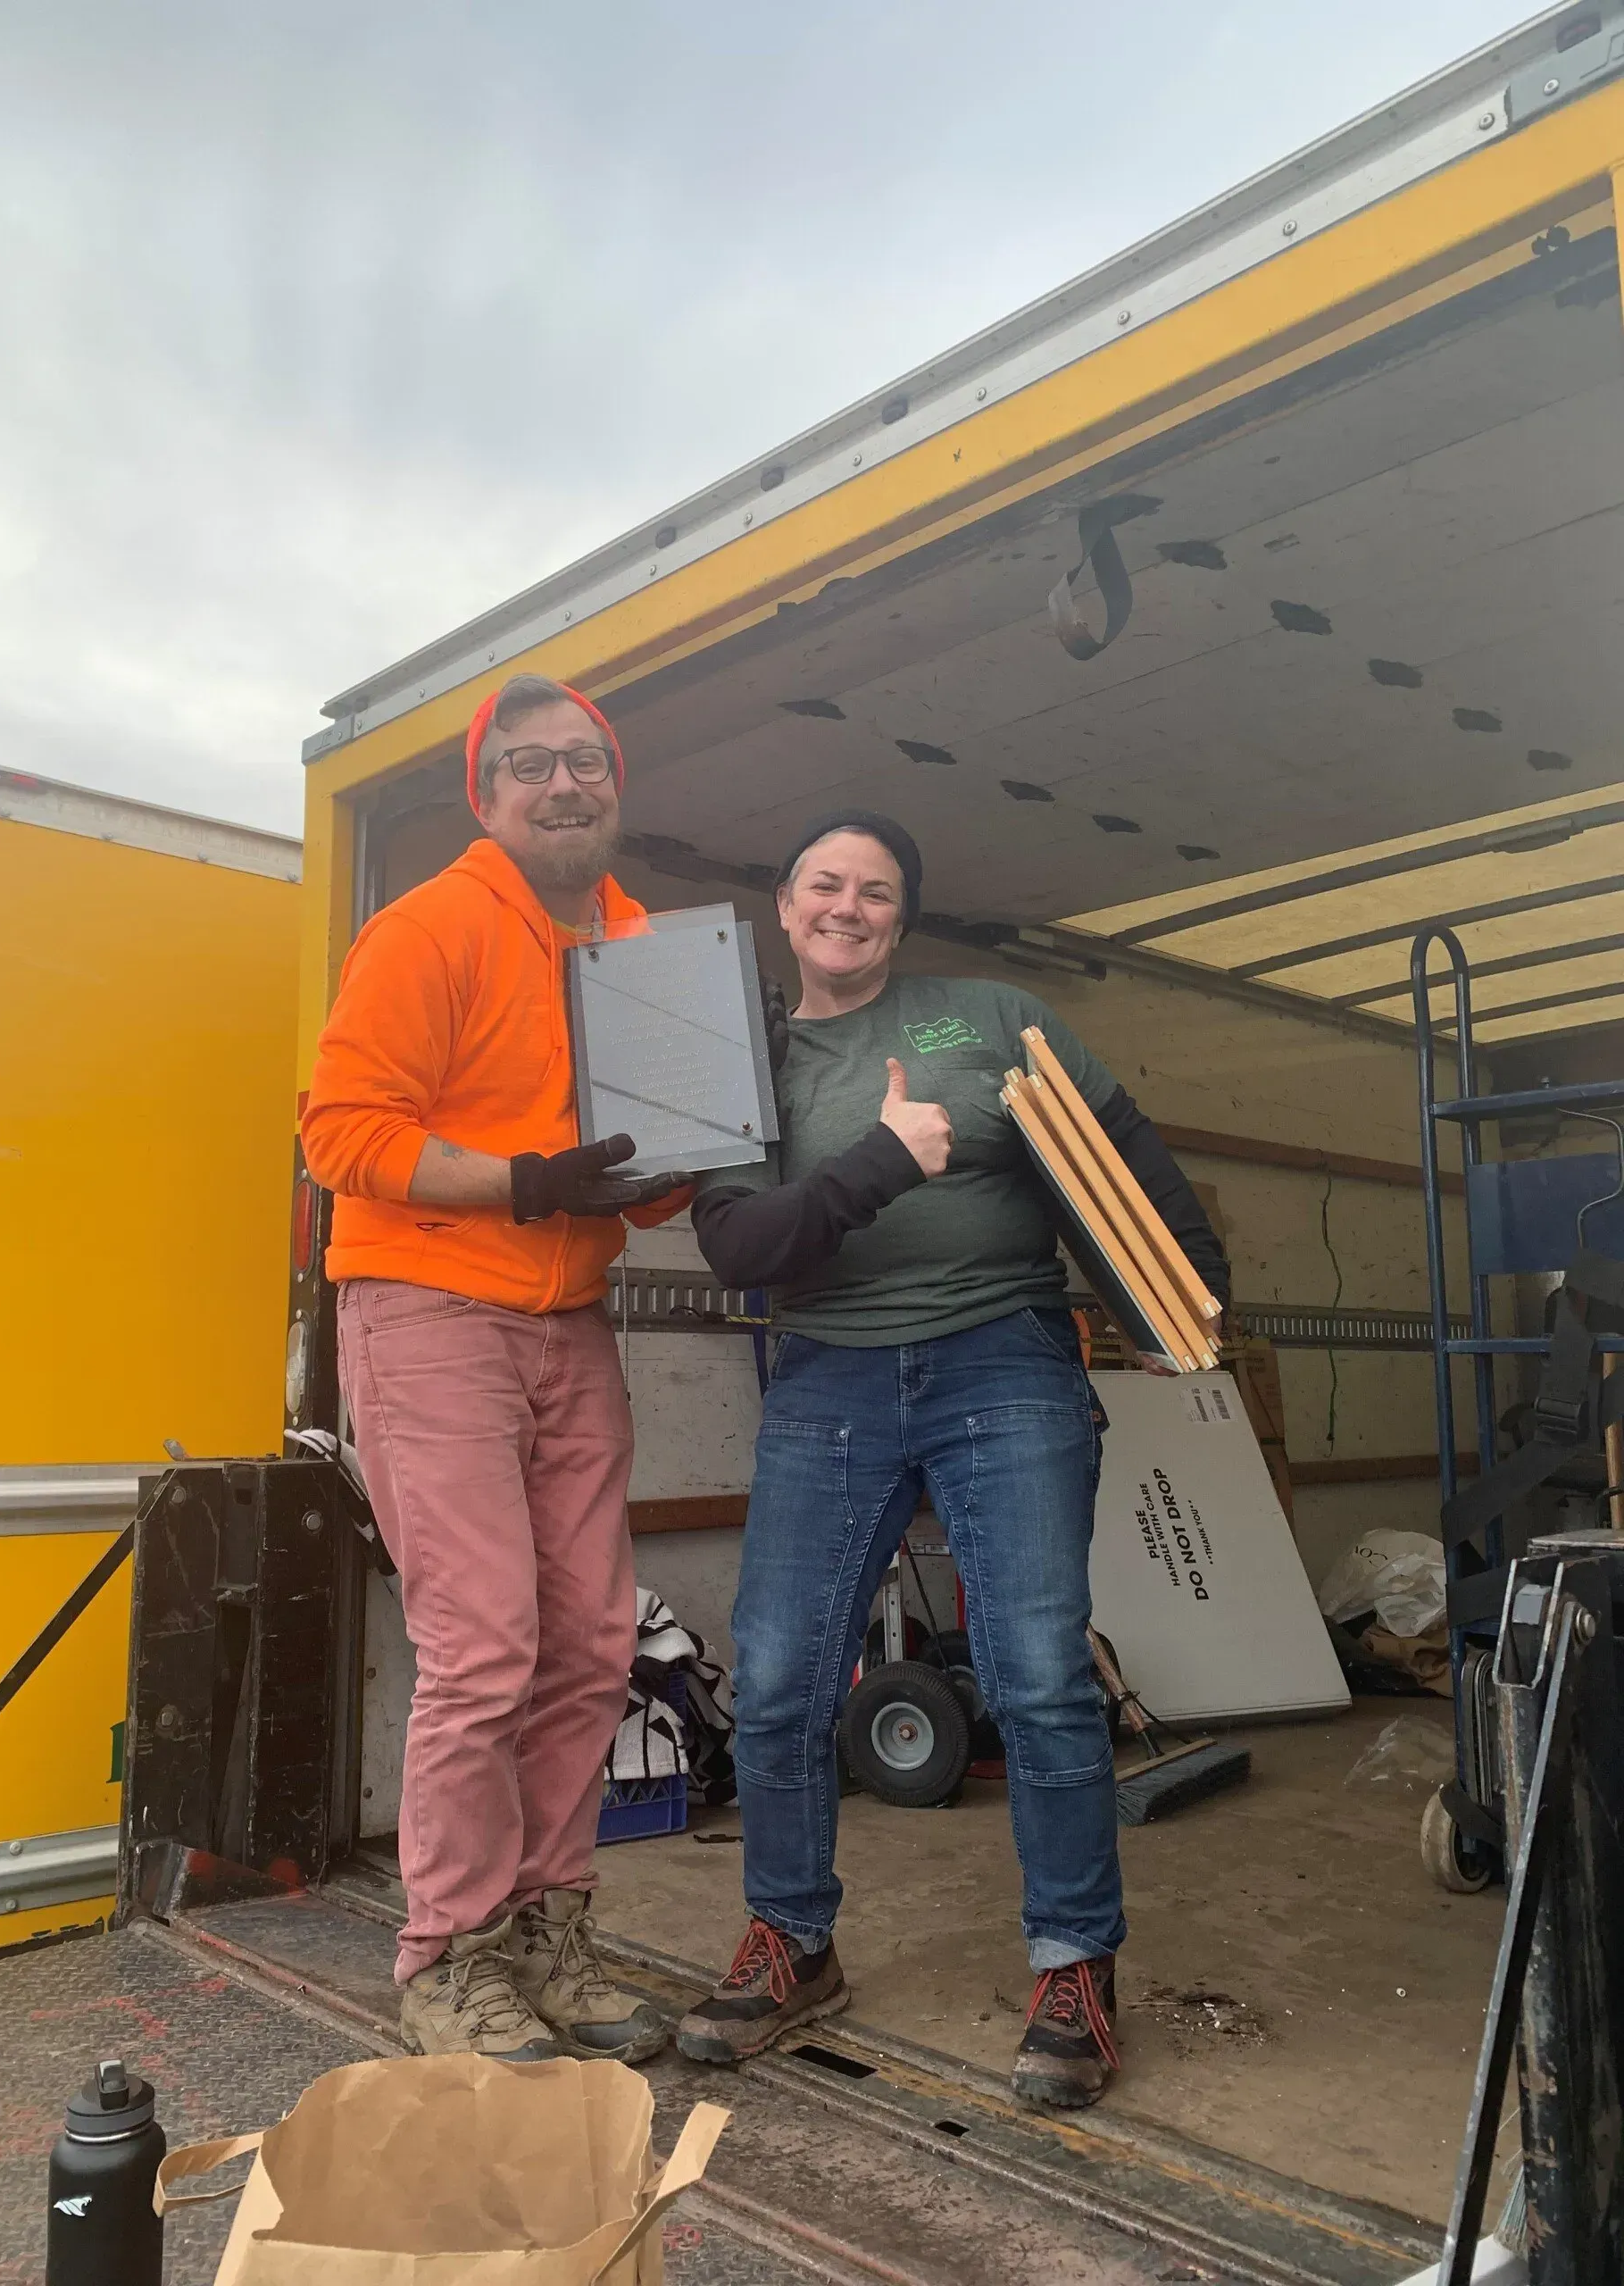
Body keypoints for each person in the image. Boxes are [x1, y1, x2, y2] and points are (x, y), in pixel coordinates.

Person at [673, 809, 1228, 2108]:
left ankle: (1077, 1969)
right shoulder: (744, 1064)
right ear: (784, 902)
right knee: (776, 1678)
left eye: (876, 890)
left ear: (901, 917)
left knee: (1037, 1673)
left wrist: (1185, 1296)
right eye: (825, 883)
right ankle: (790, 1944)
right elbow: (745, 1251)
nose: (849, 906)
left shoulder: (985, 1017)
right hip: (831, 1378)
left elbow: (1122, 1151)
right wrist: (881, 1159)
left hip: (1003, 1354)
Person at [301, 672, 687, 2065]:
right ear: (487, 794)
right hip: (428, 1313)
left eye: (587, 759)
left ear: (614, 781)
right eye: (532, 766)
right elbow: (340, 1134)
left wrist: (686, 1161)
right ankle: (446, 1960)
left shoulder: (646, 952)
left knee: (592, 1642)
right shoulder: (432, 929)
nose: (565, 783)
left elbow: (645, 1190)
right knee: (483, 1654)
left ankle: (545, 1937)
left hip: (571, 1320)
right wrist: (521, 1181)